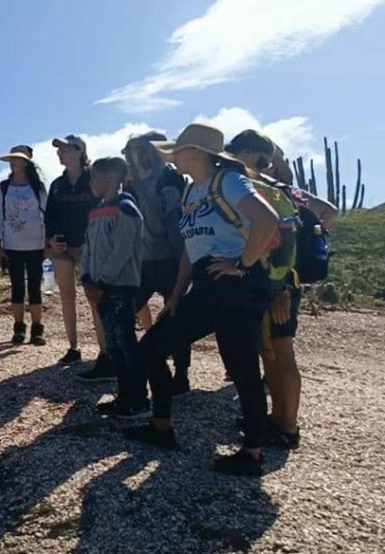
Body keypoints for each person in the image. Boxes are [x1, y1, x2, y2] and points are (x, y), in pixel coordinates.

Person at [124, 124, 279, 477]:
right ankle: (161, 427)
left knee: (241, 367)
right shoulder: (191, 191)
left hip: (236, 286)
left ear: (197, 152)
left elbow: (266, 220)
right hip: (205, 284)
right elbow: (188, 251)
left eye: (178, 151)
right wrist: (177, 294)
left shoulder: (229, 181)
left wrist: (243, 264)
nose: (173, 157)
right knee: (151, 348)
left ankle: (252, 452)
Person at [225, 130, 338, 449]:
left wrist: (283, 282)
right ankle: (279, 419)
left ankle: (287, 425)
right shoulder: (288, 190)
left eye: (235, 150)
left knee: (280, 351)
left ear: (251, 155)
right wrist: (314, 238)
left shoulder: (262, 188)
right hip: (284, 278)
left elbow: (280, 236)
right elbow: (330, 212)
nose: (229, 155)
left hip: (277, 281)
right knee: (272, 350)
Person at [123, 132, 193, 396]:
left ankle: (181, 375)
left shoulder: (169, 180)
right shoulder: (133, 183)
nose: (132, 158)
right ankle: (134, 367)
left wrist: (182, 268)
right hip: (143, 260)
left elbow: (174, 226)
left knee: (176, 314)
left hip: (168, 259)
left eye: (136, 152)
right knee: (126, 312)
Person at [80, 157, 148, 419]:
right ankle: (125, 396)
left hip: (119, 288)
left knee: (126, 343)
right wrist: (86, 277)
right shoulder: (95, 210)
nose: (91, 183)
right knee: (114, 345)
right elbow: (88, 248)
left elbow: (121, 251)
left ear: (108, 178)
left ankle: (139, 400)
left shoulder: (126, 208)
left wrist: (102, 281)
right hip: (100, 288)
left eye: (94, 177)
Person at [45, 135, 109, 371]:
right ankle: (73, 348)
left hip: (89, 247)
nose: (60, 153)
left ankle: (105, 351)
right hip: (62, 248)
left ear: (80, 151)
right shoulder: (57, 184)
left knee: (95, 297)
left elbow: (106, 206)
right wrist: (51, 239)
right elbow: (49, 216)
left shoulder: (93, 179)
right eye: (59, 149)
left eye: (65, 149)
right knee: (67, 298)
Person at [0, 145, 47, 346]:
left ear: (26, 162)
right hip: (12, 245)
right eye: (12, 160)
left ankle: (37, 328)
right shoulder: (3, 187)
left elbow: (47, 214)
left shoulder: (38, 187)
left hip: (36, 243)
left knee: (35, 286)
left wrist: (48, 242)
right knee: (17, 286)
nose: (14, 163)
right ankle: (19, 326)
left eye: (17, 159)